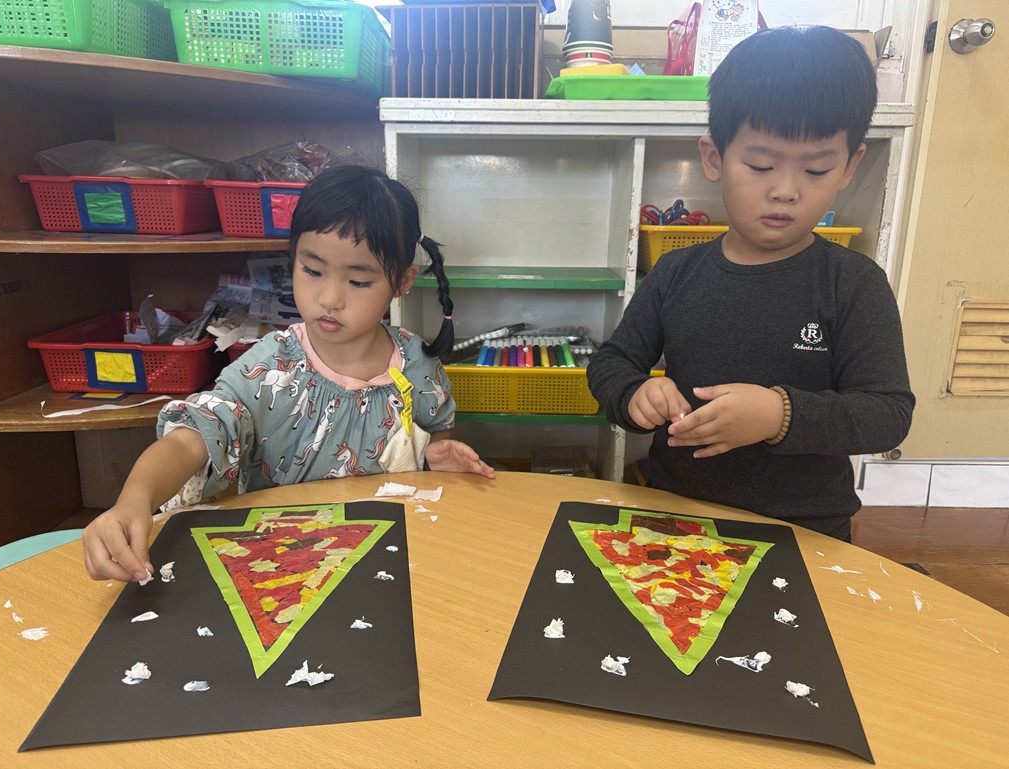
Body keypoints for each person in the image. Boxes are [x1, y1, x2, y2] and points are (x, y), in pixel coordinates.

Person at [84, 164, 495, 581]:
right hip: (281, 564)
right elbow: (193, 437)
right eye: (312, 271)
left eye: (358, 281)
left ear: (403, 282)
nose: (329, 298)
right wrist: (135, 499)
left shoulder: (417, 366)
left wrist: (435, 456)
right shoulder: (271, 367)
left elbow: (430, 444)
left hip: (389, 563)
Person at [587, 26, 914, 541]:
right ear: (714, 158)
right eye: (761, 165)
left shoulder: (853, 283)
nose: (785, 190)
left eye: (816, 170)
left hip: (806, 527)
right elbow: (611, 363)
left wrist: (781, 415)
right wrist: (634, 394)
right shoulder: (675, 273)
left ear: (850, 166)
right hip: (680, 515)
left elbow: (887, 413)